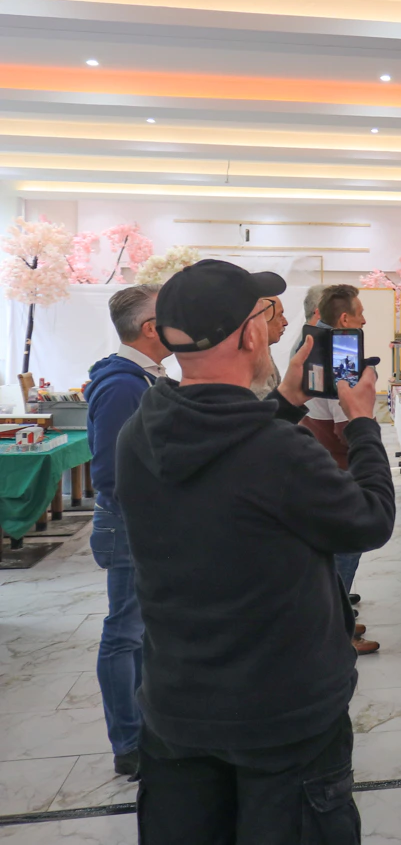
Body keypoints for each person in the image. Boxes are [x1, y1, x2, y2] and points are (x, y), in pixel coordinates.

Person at [116, 259, 392, 843]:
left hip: (178, 704)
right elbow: (369, 520)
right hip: (281, 716)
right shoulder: (278, 452)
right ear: (249, 336)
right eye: (266, 316)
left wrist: (287, 401)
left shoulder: (141, 429)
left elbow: (231, 458)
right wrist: (363, 424)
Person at [84, 283, 168, 779]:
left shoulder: (145, 377)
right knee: (124, 633)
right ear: (151, 329)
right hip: (128, 523)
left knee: (140, 633)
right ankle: (128, 742)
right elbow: (111, 472)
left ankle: (143, 727)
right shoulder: (122, 385)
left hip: (144, 521)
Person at [301, 284, 380, 655]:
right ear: (345, 318)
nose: (365, 321)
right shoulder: (340, 359)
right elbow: (344, 427)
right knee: (346, 548)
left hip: (321, 461)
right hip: (338, 467)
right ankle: (337, 632)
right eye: (360, 314)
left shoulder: (317, 346)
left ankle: (338, 618)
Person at [250, 295, 288, 400]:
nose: (285, 322)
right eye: (279, 316)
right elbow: (264, 404)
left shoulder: (264, 350)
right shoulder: (251, 358)